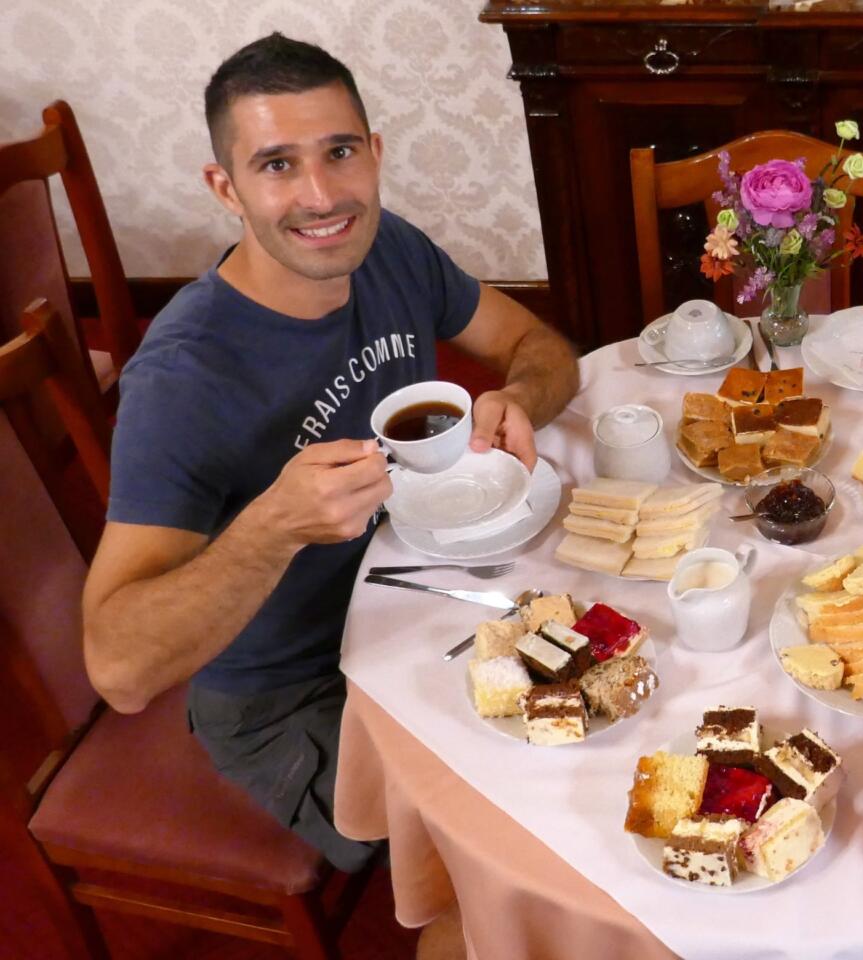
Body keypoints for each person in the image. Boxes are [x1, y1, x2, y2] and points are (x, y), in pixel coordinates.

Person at [79, 34, 579, 881]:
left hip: (416, 602)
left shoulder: (388, 246)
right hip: (291, 693)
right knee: (497, 864)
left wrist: (519, 400)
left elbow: (540, 345)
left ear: (375, 154)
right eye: (276, 165)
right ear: (225, 190)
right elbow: (118, 668)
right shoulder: (182, 379)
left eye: (340, 152)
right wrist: (273, 527)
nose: (320, 196)